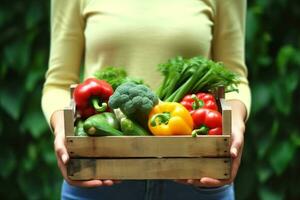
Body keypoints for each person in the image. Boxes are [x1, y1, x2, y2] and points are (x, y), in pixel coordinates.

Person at [41, 0, 251, 199]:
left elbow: (234, 78)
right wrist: (62, 129)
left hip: (196, 173)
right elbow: (59, 83)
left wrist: (235, 124)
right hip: (100, 173)